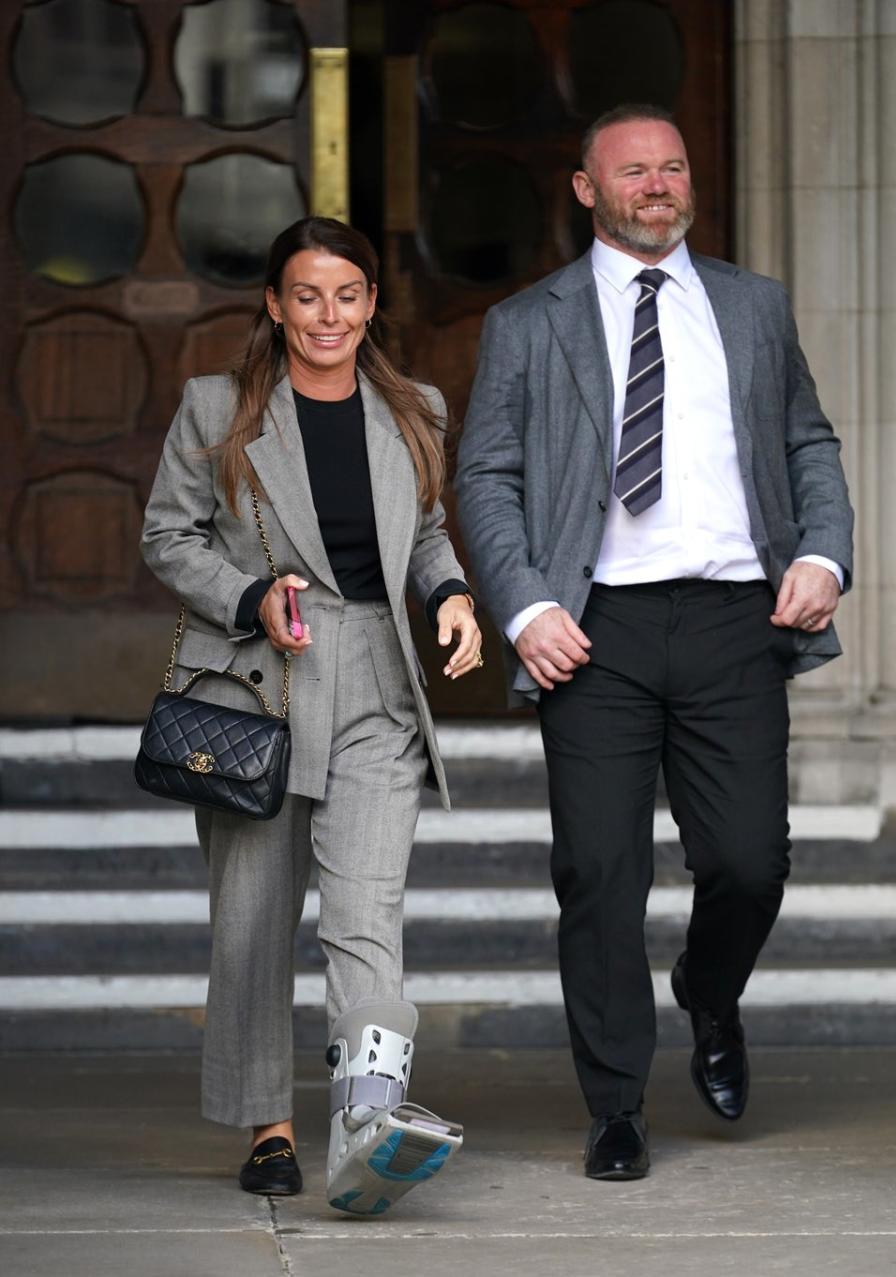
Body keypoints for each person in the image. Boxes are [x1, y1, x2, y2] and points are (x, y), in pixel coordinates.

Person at [455, 104, 853, 1180]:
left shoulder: (753, 307)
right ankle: (617, 1103)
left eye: (672, 167)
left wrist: (824, 552)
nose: (658, 185)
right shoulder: (528, 323)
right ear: (587, 188)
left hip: (736, 619)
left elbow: (808, 441)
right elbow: (486, 475)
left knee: (747, 862)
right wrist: (527, 606)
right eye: (633, 171)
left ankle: (709, 993)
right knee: (599, 870)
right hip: (597, 627)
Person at [141, 216, 481, 1215]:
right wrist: (249, 595)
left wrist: (451, 591)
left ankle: (368, 1119)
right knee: (252, 919)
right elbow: (170, 536)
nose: (327, 315)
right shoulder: (220, 406)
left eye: (347, 295)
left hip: (380, 678)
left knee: (365, 916)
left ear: (371, 303)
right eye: (307, 295)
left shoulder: (414, 407)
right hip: (258, 680)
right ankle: (268, 1128)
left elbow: (422, 532)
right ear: (275, 304)